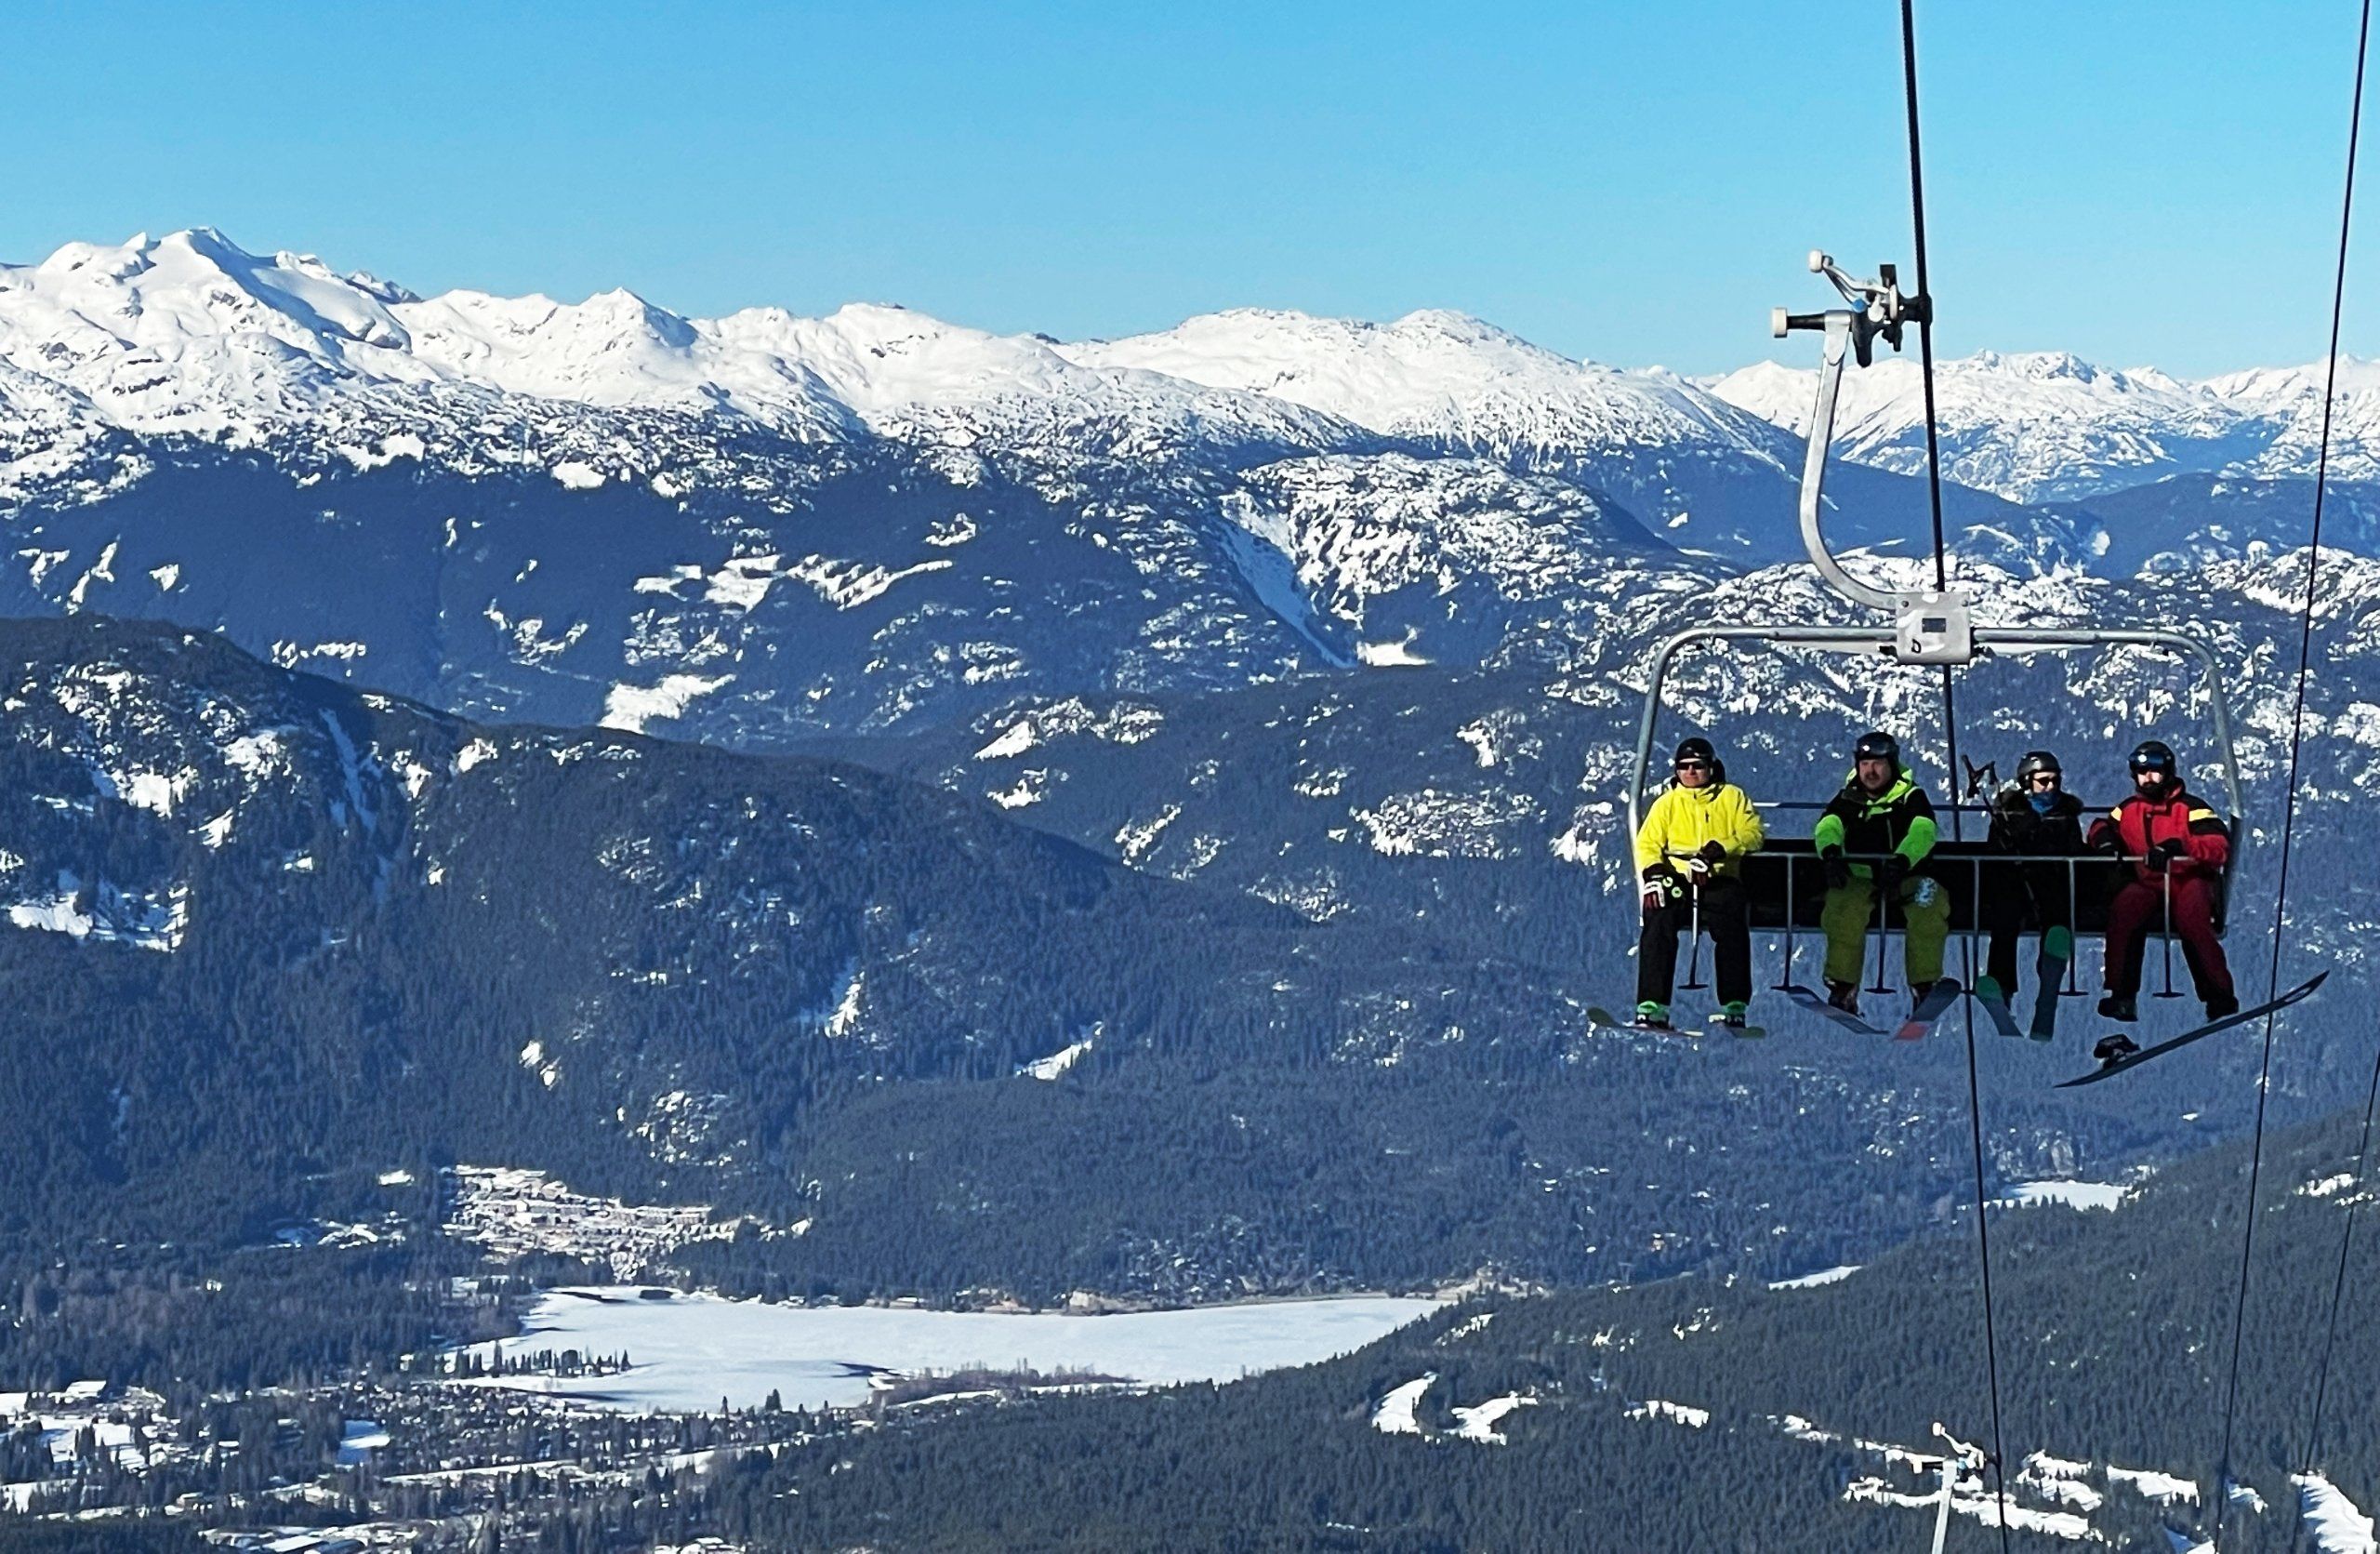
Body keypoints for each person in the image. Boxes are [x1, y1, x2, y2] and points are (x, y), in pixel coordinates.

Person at [2089, 738, 2237, 1023]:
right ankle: (2122, 996)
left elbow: (2218, 846)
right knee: (2125, 910)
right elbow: (2101, 826)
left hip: (2188, 879)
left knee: (2192, 919)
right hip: (2150, 882)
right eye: (2141, 771)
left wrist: (2180, 847)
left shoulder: (2191, 809)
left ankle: (2219, 996)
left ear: (2168, 771)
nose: (2148, 778)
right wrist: (2106, 843)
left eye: (2155, 771)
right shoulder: (2128, 809)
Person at [1813, 730, 1950, 1015]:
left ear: (1891, 764)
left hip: (1911, 876)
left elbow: (1923, 830)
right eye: (1864, 764)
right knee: (1842, 907)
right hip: (1861, 877)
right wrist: (1830, 853)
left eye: (1877, 764)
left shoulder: (1911, 797)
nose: (1870, 771)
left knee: (1929, 902)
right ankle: (1843, 986)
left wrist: (1902, 860)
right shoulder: (1848, 798)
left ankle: (1924, 986)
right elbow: (1829, 825)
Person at [1634, 737, 1765, 1029]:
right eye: (1683, 767)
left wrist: (1719, 849)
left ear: (1712, 767)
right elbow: (1647, 844)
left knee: (1731, 919)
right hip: (1678, 879)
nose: (1691, 772)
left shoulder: (1731, 798)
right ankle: (1652, 1003)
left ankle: (1734, 1001)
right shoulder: (1666, 805)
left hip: (1718, 878)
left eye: (1698, 766)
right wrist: (1655, 873)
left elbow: (1753, 833)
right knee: (1657, 918)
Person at [1981, 750, 2086, 1010]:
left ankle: (2050, 980)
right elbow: (1995, 853)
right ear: (2027, 783)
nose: (2050, 787)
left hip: (2052, 883)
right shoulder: (2009, 815)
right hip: (2015, 883)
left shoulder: (2065, 816)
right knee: (2005, 919)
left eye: (2054, 781)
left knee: (2057, 920)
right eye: (2043, 781)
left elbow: (2075, 854)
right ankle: (2001, 985)